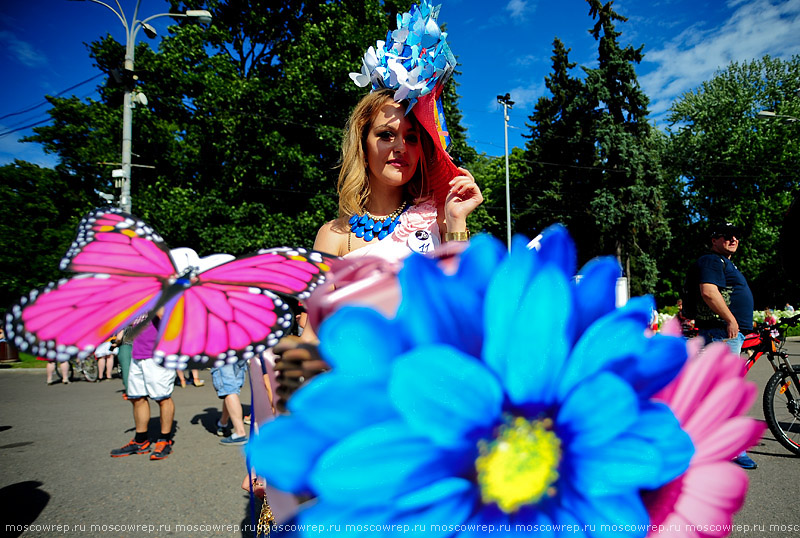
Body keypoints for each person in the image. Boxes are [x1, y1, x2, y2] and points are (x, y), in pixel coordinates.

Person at [691, 222, 756, 469]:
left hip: (728, 333)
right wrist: (731, 319)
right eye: (727, 235)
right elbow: (708, 292)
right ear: (714, 240)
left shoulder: (723, 262)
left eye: (736, 235)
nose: (733, 238)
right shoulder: (711, 260)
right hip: (722, 333)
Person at [110, 315, 176, 460]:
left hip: (158, 355)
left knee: (163, 398)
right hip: (138, 354)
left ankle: (164, 440)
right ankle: (141, 441)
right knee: (137, 398)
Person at [211, 359, 249, 445]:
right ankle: (222, 423)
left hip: (222, 352)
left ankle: (240, 433)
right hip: (239, 351)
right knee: (231, 390)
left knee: (228, 390)